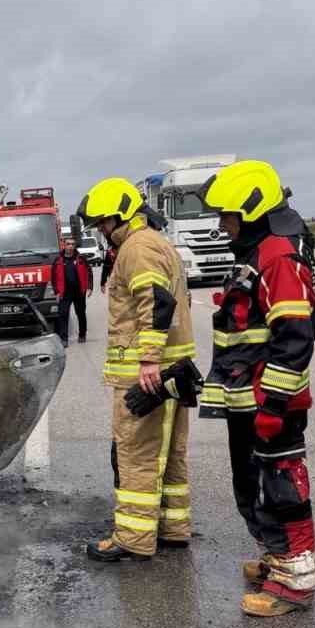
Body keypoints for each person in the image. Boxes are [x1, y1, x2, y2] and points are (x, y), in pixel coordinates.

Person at [200, 161, 315, 617]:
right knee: (253, 487)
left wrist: (273, 404)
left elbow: (293, 340)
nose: (221, 226)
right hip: (248, 397)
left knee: (283, 489)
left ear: (250, 212)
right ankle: (277, 559)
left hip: (269, 402)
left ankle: (294, 585)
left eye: (227, 216)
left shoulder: (277, 258)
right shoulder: (261, 253)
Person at [77, 177, 195, 561]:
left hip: (149, 374)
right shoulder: (156, 243)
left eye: (102, 224)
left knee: (136, 454)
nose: (100, 232)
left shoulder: (137, 249)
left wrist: (147, 360)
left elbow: (154, 303)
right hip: (171, 369)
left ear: (120, 216)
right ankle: (173, 528)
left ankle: (134, 538)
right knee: (170, 452)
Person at [51, 238, 92, 343]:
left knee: (81, 313)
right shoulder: (58, 260)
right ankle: (64, 339)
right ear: (64, 245)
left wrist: (90, 287)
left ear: (75, 246)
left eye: (73, 244)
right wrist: (56, 291)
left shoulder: (81, 258)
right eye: (68, 244)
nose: (70, 246)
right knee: (63, 314)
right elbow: (53, 278)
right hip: (64, 292)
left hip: (79, 292)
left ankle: (82, 335)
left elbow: (89, 272)